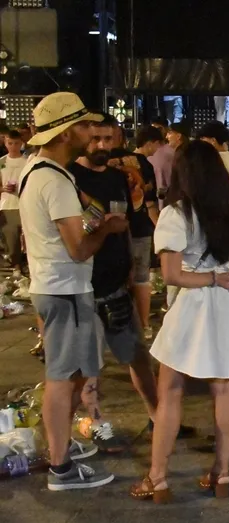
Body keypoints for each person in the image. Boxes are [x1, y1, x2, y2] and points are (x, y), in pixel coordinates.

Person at [131, 141, 229, 503]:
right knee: (224, 388)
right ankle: (222, 473)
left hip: (197, 302)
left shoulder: (176, 215)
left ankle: (158, 478)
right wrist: (224, 269)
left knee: (171, 390)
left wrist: (210, 276)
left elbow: (172, 275)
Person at [21, 92, 123, 490]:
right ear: (65, 133)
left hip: (55, 286)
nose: (90, 132)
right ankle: (61, 468)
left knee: (72, 375)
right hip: (63, 288)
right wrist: (106, 229)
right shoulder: (55, 180)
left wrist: (95, 219)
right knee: (61, 379)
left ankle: (61, 447)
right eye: (83, 125)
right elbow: (78, 249)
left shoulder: (38, 170)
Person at [69, 115, 161, 449]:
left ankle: (159, 417)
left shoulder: (119, 177)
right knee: (87, 366)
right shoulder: (69, 177)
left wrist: (132, 269)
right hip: (83, 287)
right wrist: (102, 224)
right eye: (95, 139)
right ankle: (94, 422)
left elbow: (131, 226)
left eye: (108, 139)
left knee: (137, 355)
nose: (102, 146)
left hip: (116, 285)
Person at [108, 121, 160, 337]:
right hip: (139, 226)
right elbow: (150, 200)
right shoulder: (141, 162)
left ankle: (118, 327)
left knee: (115, 280)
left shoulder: (92, 165)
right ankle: (143, 325)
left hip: (109, 230)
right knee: (141, 278)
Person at [1, 128, 27, 267]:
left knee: (28, 239)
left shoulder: (27, 161)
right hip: (7, 205)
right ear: (5, 143)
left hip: (25, 204)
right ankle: (16, 268)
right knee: (12, 240)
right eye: (10, 143)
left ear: (21, 143)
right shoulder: (1, 162)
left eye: (16, 143)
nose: (13, 146)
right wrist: (3, 189)